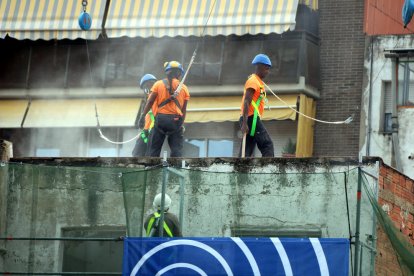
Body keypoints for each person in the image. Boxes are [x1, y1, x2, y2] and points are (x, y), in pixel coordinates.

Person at [139, 61, 190, 157]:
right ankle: (176, 167)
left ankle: (152, 167)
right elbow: (183, 110)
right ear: (179, 74)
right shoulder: (184, 88)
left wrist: (142, 116)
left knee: (153, 149)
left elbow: (150, 102)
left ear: (167, 72)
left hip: (161, 119)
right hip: (176, 120)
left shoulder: (158, 84)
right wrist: (180, 124)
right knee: (176, 150)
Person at [239, 54, 274, 157]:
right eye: (266, 68)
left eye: (269, 69)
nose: (268, 71)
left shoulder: (258, 82)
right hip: (251, 118)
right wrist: (245, 123)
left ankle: (240, 169)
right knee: (267, 145)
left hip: (250, 118)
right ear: (259, 66)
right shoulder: (253, 81)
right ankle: (269, 168)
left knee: (246, 151)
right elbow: (246, 102)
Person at [132, 74, 158, 157]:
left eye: (150, 84)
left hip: (152, 131)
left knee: (143, 154)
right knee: (139, 153)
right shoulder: (147, 100)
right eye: (145, 87)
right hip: (146, 131)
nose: (147, 88)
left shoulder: (156, 97)